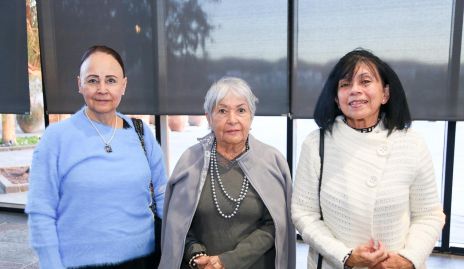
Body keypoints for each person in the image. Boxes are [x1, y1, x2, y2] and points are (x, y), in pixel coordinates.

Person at [291, 49, 445, 269]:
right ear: (336, 97)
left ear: (385, 94)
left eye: (365, 82)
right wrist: (345, 256)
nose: (355, 90)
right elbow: (304, 214)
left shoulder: (412, 143)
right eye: (345, 85)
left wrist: (407, 259)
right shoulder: (316, 143)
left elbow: (429, 215)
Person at [26, 45, 167, 269]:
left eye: (111, 80)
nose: (102, 89)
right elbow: (41, 210)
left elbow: (163, 197)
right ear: (79, 84)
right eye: (92, 80)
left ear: (124, 85)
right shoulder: (56, 138)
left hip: (144, 261)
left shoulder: (142, 134)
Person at [159, 77, 296, 269]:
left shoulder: (271, 161)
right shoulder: (190, 161)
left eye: (241, 110)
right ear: (209, 117)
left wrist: (229, 261)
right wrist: (196, 254)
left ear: (251, 116)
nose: (232, 120)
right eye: (222, 111)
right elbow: (178, 222)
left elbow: (275, 224)